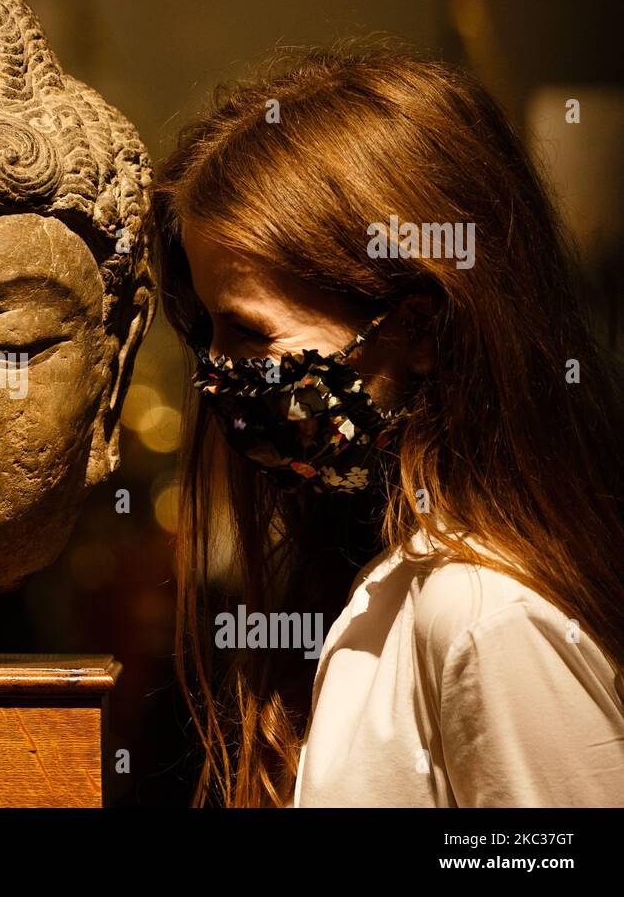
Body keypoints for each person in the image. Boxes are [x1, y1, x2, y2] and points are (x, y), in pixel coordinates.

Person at [154, 41, 624, 807]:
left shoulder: (483, 618)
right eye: (207, 333)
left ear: (419, 328)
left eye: (248, 333)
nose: (217, 374)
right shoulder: (378, 581)